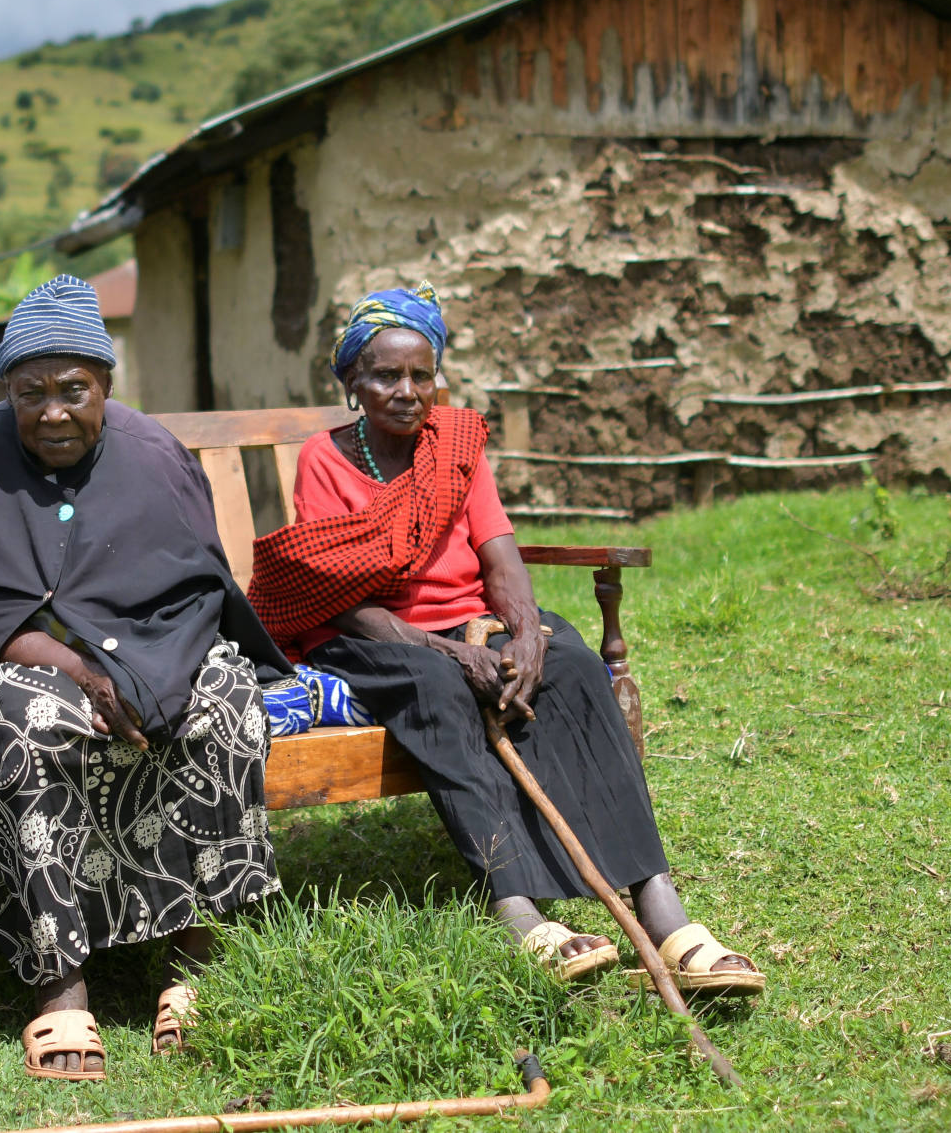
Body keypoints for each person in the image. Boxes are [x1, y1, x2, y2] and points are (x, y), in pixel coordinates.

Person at [248, 283, 765, 999]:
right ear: (351, 384)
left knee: (577, 664)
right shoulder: (325, 460)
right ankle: (519, 909)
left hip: (473, 625)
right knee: (437, 688)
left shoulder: (455, 448)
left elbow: (499, 558)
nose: (406, 391)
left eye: (421, 375)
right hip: (369, 634)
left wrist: (525, 635)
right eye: (386, 375)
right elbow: (344, 596)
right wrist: (451, 653)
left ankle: (661, 908)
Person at [0, 274, 286, 1082]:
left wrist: (147, 674)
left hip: (156, 649)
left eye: (73, 390)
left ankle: (194, 959)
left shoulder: (152, 453)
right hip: (9, 662)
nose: (53, 411)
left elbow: (198, 590)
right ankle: (60, 986)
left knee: (220, 696)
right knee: (37, 718)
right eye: (30, 393)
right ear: (5, 392)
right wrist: (78, 667)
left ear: (106, 386)